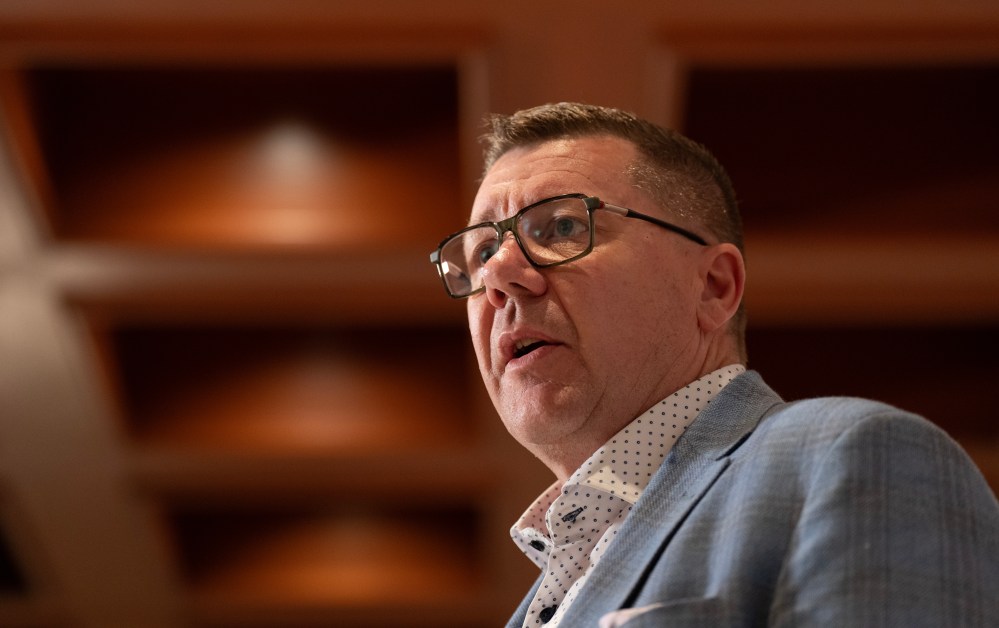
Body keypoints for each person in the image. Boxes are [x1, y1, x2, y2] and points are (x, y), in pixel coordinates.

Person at [428, 102, 999, 627]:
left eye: (563, 227)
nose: (499, 275)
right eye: (483, 253)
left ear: (714, 287)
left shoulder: (852, 457)